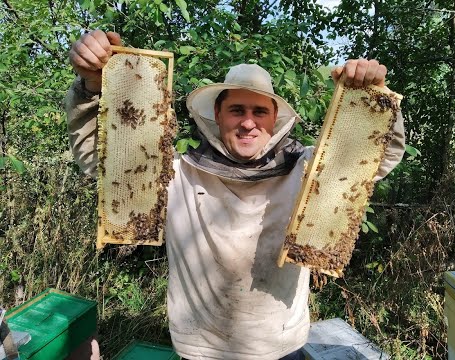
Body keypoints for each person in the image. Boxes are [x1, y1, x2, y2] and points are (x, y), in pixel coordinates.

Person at [66, 30, 405, 360]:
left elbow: (375, 159)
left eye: (259, 112)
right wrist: (93, 86)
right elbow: (104, 160)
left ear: (275, 119)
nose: (248, 123)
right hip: (202, 349)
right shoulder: (176, 174)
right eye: (237, 110)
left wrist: (371, 98)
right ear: (217, 115)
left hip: (282, 345)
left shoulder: (306, 171)